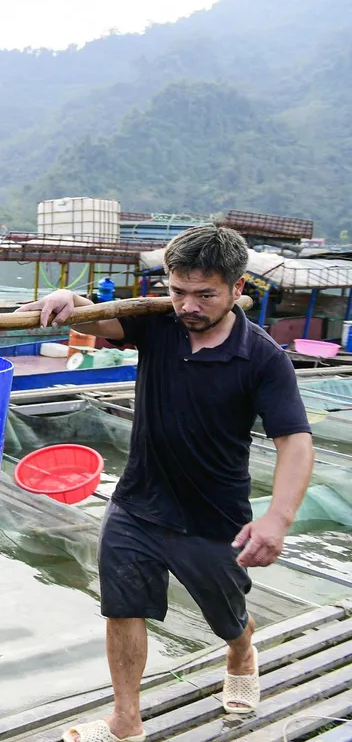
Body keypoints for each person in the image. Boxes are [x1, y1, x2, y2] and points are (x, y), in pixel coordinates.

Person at [17, 226, 314, 742]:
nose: (188, 306)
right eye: (178, 291)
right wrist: (70, 299)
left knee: (226, 616)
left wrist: (277, 519)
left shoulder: (262, 357)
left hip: (211, 516)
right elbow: (102, 319)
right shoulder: (158, 322)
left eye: (205, 294)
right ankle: (125, 721)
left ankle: (241, 652)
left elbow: (295, 441)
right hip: (136, 503)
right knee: (122, 608)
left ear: (237, 287)